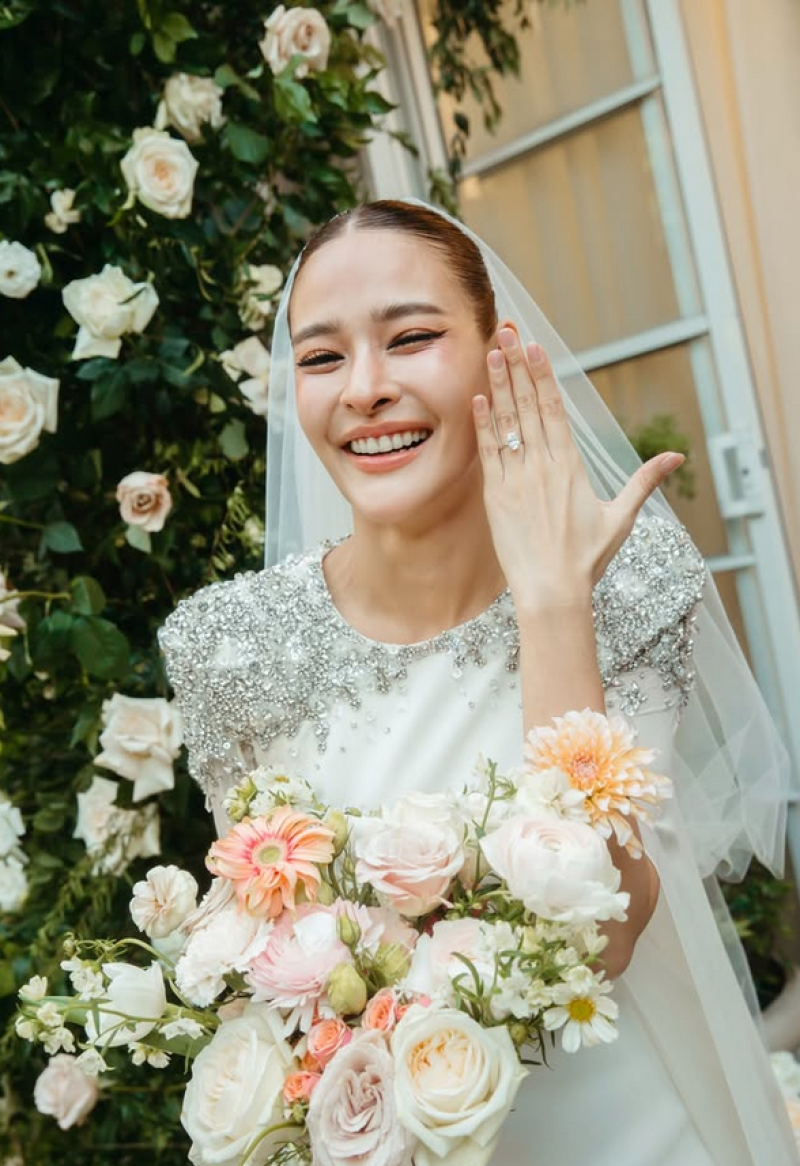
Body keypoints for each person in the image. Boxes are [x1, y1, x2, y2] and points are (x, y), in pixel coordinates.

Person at [160, 200, 797, 1164]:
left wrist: (553, 599)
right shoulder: (231, 647)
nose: (365, 389)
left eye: (411, 338)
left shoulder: (629, 582)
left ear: (500, 353)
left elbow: (605, 936)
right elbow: (274, 978)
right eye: (323, 357)